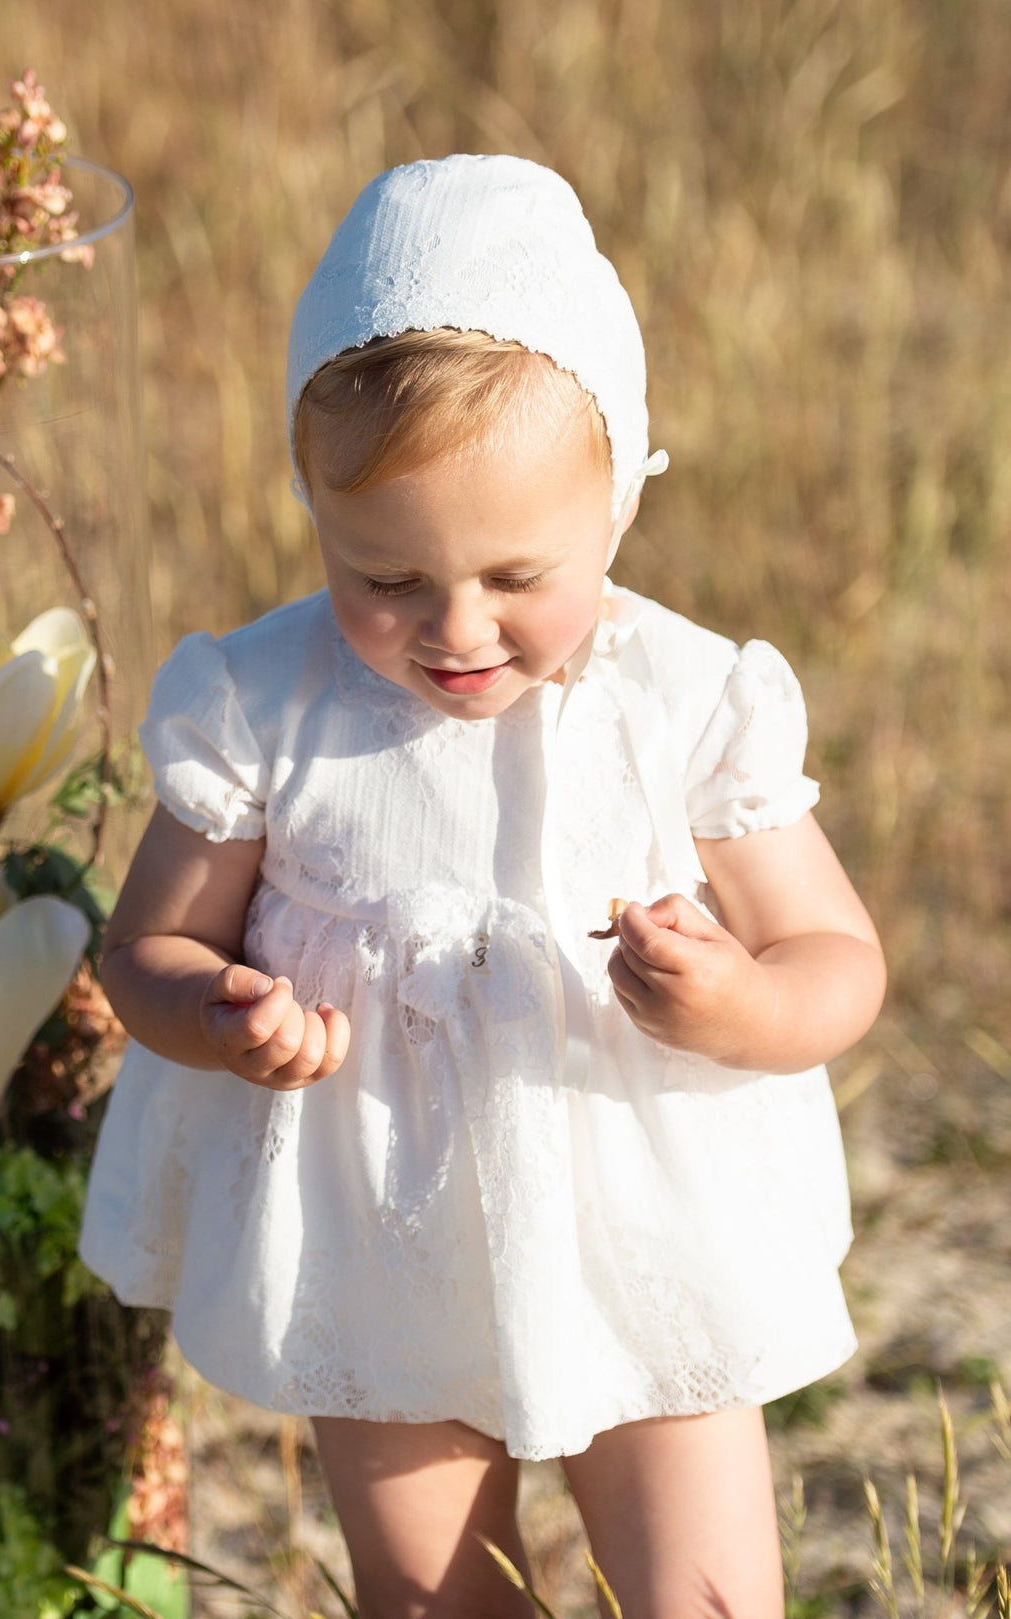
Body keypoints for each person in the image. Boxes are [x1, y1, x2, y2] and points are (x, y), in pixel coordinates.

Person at [80, 154, 886, 1619]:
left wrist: (741, 1003)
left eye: (521, 574)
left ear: (616, 511)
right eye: (381, 575)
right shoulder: (264, 703)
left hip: (643, 1209)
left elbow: (837, 958)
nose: (456, 629)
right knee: (437, 1591)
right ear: (314, 505)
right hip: (374, 1218)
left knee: (709, 1594)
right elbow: (146, 949)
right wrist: (224, 1013)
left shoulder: (678, 695)